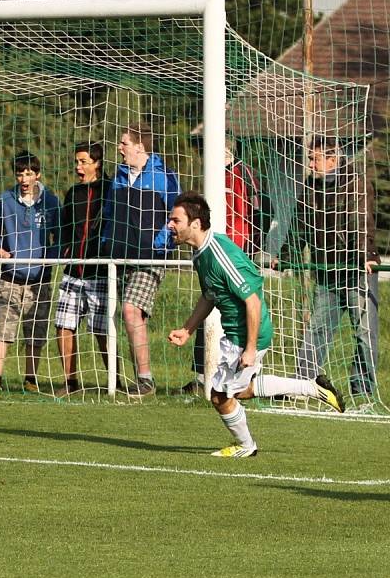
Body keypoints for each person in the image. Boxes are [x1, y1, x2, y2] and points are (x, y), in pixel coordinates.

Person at [167, 191, 344, 458]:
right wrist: (187, 329)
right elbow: (209, 295)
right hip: (239, 333)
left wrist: (249, 349)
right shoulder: (200, 254)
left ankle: (246, 446)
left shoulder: (218, 254)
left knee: (220, 396)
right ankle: (312, 388)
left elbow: (252, 301)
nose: (170, 225)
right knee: (241, 389)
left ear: (195, 224)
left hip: (245, 335)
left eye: (175, 220)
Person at [274, 136, 380, 399]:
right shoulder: (310, 186)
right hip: (326, 270)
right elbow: (299, 224)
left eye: (315, 158)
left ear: (333, 159)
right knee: (317, 329)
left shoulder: (355, 182)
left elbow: (360, 218)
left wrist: (364, 254)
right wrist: (287, 255)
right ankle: (301, 385)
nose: (310, 163)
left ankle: (362, 391)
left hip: (357, 270)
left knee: (366, 334)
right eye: (310, 158)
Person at [177, 137, 262, 396]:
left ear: (225, 150)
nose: (205, 156)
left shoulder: (243, 174)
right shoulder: (212, 178)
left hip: (235, 251)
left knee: (228, 392)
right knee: (211, 304)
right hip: (214, 251)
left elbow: (259, 211)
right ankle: (203, 374)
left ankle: (251, 366)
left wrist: (253, 247)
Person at [0, 151, 61, 397]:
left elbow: (60, 234)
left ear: (37, 175)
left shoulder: (51, 201)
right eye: (20, 173)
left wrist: (51, 255)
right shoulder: (5, 199)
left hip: (40, 279)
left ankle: (30, 379)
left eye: (29, 173)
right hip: (10, 277)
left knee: (36, 332)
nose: (24, 179)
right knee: (2, 329)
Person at [111, 123, 180, 394]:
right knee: (130, 317)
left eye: (124, 142)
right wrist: (108, 243)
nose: (120, 147)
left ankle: (145, 379)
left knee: (130, 309)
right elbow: (110, 213)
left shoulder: (165, 177)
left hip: (151, 257)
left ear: (140, 146)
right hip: (121, 256)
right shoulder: (118, 176)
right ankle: (137, 377)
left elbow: (177, 216)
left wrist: (159, 244)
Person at [53, 141, 113, 397]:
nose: (78, 166)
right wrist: (65, 250)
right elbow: (65, 228)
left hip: (99, 272)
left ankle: (114, 380)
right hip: (72, 271)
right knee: (63, 325)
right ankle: (70, 381)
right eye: (76, 161)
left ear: (97, 164)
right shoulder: (73, 194)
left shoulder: (110, 191)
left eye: (83, 162)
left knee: (101, 329)